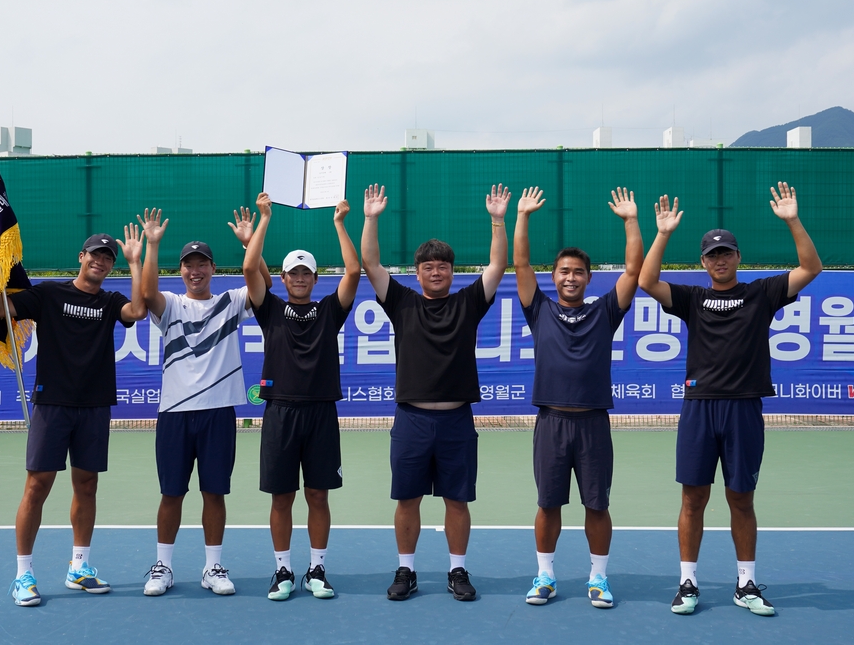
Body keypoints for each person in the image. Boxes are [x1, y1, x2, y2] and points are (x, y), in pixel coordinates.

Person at [638, 183, 822, 616]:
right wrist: (662, 233)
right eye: (712, 255)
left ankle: (746, 584)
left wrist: (793, 220)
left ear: (738, 257)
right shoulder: (693, 298)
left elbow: (811, 267)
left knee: (741, 498)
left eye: (726, 253)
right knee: (692, 499)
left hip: (744, 407)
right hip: (700, 409)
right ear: (702, 263)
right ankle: (687, 582)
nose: (719, 260)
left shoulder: (762, 293)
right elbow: (646, 281)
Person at [361, 182, 510, 602]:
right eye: (428, 265)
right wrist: (371, 218)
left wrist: (498, 220)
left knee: (457, 501)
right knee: (407, 499)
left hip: (456, 420)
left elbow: (498, 265)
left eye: (443, 265)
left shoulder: (468, 303)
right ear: (417, 271)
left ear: (451, 270)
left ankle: (457, 570)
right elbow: (369, 262)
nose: (436, 270)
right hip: (411, 420)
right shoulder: (402, 302)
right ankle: (406, 571)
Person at [0, 227, 148, 607]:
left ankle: (79, 567)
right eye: (95, 254)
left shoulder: (111, 302)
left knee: (87, 485)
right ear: (81, 256)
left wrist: (135, 261)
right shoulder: (49, 293)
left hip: (94, 407)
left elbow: (139, 311)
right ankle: (23, 574)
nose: (100, 260)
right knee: (37, 486)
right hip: (52, 405)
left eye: (108, 257)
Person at [514, 186, 642, 609]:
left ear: (589, 278)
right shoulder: (539, 309)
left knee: (596, 505)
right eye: (564, 271)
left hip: (592, 424)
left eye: (578, 272)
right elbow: (519, 262)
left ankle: (598, 579)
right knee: (548, 504)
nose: (570, 277)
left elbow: (634, 268)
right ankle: (545, 575)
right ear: (554, 277)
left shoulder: (605, 311)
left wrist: (630, 221)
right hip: (550, 422)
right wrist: (522, 216)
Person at [137, 206, 271, 598]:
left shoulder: (232, 301)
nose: (195, 271)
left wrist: (251, 242)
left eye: (202, 265)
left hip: (217, 414)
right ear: (181, 271)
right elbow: (146, 294)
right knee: (172, 493)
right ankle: (163, 565)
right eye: (188, 266)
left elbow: (262, 284)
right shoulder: (172, 306)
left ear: (213, 268)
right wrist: (153, 244)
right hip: (175, 415)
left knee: (215, 492)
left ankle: (213, 566)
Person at [242, 192, 361, 601]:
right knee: (282, 496)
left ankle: (317, 568)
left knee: (317, 495)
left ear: (314, 278)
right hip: (280, 413)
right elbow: (247, 268)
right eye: (292, 272)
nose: (298, 278)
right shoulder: (269, 309)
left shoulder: (330, 310)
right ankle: (282, 571)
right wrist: (264, 219)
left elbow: (354, 270)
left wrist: (340, 223)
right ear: (285, 276)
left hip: (321, 413)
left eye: (305, 272)